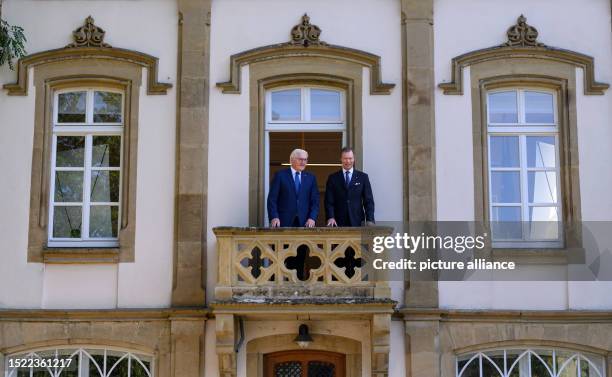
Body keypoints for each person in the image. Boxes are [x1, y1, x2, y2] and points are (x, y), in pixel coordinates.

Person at [267, 149, 319, 227]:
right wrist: (274, 217)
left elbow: (315, 201)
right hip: (283, 221)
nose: (303, 162)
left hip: (305, 222)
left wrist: (312, 218)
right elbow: (272, 199)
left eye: (305, 159)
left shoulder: (311, 178)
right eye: (300, 159)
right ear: (291, 160)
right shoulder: (280, 175)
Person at [325, 147, 375, 227]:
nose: (348, 161)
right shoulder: (333, 178)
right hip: (337, 221)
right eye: (345, 158)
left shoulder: (363, 177)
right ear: (341, 159)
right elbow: (329, 201)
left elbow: (368, 201)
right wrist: (330, 217)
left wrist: (370, 220)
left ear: (354, 159)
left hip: (358, 220)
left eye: (350, 158)